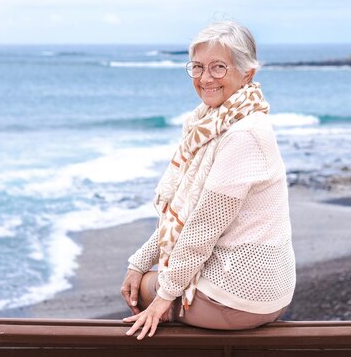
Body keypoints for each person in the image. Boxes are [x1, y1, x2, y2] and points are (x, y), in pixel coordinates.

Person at [121, 20, 295, 340]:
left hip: (240, 298)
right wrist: (138, 261)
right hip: (263, 288)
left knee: (140, 289)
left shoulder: (243, 134)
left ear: (248, 73)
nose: (205, 79)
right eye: (198, 67)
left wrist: (163, 297)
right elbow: (188, 216)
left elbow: (201, 228)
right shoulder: (210, 123)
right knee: (140, 276)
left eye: (218, 67)